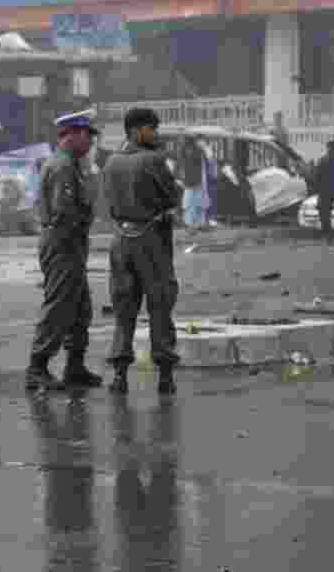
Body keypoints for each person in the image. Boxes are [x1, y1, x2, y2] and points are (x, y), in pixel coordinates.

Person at [101, 108, 182, 395]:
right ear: (137, 130)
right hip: (150, 239)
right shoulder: (153, 159)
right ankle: (165, 376)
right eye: (152, 128)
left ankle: (120, 375)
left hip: (120, 239)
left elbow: (108, 205)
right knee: (160, 304)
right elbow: (172, 196)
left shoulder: (111, 162)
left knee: (124, 309)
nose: (156, 133)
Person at [24, 109, 103, 392]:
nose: (91, 143)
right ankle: (37, 367)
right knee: (59, 305)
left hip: (70, 243)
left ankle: (75, 366)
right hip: (63, 242)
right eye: (87, 136)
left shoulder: (71, 164)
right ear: (73, 135)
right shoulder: (62, 167)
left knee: (81, 308)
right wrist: (73, 244)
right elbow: (64, 211)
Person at [314, 140, 334, 240]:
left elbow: (317, 177)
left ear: (328, 148)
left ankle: (327, 234)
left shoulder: (322, 160)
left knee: (324, 213)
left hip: (326, 190)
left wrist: (318, 189)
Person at [179, 139, 206, 230]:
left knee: (192, 204)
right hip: (192, 183)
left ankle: (194, 223)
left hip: (193, 183)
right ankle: (192, 223)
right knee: (191, 204)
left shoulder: (194, 155)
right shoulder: (196, 154)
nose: (188, 151)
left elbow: (197, 170)